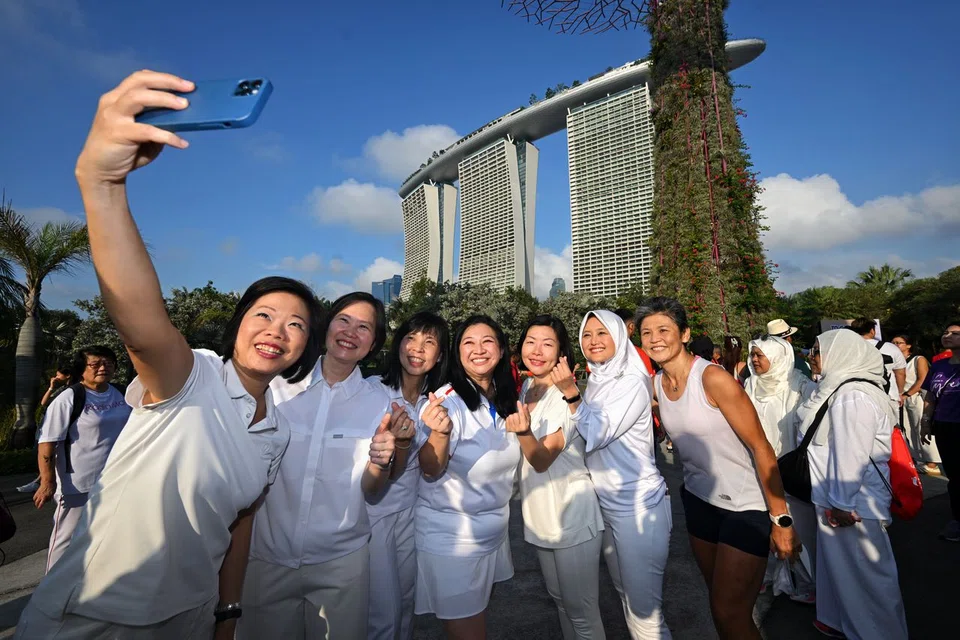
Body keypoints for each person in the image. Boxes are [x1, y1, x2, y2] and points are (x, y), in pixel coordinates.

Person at [16, 70, 324, 639]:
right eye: (263, 314)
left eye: (297, 324)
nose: (277, 329)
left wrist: (226, 614)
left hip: (190, 615)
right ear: (236, 328)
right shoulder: (194, 375)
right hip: (101, 614)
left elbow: (239, 523)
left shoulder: (275, 431)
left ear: (306, 347)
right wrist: (103, 186)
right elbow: (142, 326)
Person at [240, 292, 400, 639]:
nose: (350, 332)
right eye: (343, 320)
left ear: (373, 343)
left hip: (341, 563)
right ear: (326, 326)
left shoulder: (382, 403)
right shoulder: (277, 385)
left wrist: (383, 461)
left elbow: (372, 491)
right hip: (267, 557)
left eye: (364, 327)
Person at [638, 297, 799, 640]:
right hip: (699, 502)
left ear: (684, 334)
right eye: (646, 332)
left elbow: (761, 448)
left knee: (731, 611)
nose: (655, 339)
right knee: (719, 606)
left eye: (663, 330)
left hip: (745, 507)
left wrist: (781, 519)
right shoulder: (656, 384)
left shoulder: (712, 378)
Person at [416, 315, 521, 639]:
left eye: (487, 341)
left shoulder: (504, 399)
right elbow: (430, 468)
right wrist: (440, 433)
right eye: (468, 342)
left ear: (502, 350)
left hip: (491, 535)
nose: (479, 349)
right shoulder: (447, 403)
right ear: (457, 353)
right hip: (453, 540)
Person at [799, 330, 908, 639]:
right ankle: (842, 623)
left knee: (867, 578)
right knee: (845, 573)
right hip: (837, 498)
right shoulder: (840, 388)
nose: (812, 358)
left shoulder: (853, 395)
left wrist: (842, 503)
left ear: (841, 354)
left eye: (817, 353)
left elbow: (851, 452)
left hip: (853, 503)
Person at [576, 310, 671, 639]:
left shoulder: (631, 381)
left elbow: (595, 431)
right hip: (608, 506)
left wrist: (570, 395)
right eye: (587, 335)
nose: (594, 341)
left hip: (638, 508)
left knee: (646, 615)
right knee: (629, 602)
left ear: (620, 335)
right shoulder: (599, 380)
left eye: (602, 333)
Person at [510, 315, 605, 639]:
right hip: (540, 514)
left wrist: (523, 431)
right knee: (561, 603)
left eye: (547, 344)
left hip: (571, 515)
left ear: (561, 353)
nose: (536, 351)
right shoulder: (527, 388)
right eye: (530, 342)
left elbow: (540, 459)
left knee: (582, 612)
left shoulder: (567, 397)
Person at [365, 312, 449, 640]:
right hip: (375, 515)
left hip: (412, 513)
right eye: (411, 338)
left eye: (429, 342)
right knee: (381, 614)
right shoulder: (374, 392)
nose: (417, 348)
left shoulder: (435, 402)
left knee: (405, 602)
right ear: (398, 344)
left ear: (439, 355)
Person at [34, 346, 132, 571]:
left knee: (108, 536)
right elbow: (47, 443)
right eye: (95, 363)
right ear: (82, 369)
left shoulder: (121, 393)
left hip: (115, 481)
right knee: (65, 540)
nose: (103, 367)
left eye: (108, 363)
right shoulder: (69, 398)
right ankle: (50, 592)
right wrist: (48, 483)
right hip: (76, 483)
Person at [743, 336, 816, 602]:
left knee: (797, 525)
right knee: (765, 522)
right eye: (753, 355)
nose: (755, 360)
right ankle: (769, 575)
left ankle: (803, 582)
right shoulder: (750, 384)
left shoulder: (798, 385)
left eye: (760, 355)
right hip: (759, 464)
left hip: (790, 467)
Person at [921, 322, 960, 542]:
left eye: (955, 334)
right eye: (946, 332)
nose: (948, 336)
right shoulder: (939, 365)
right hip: (945, 426)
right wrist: (925, 422)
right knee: (954, 475)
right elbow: (930, 397)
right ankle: (957, 519)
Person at [17, 360, 75, 494]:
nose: (55, 377)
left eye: (58, 374)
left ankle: (40, 481)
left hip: (57, 424)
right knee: (43, 451)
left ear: (67, 375)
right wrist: (51, 387)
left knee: (49, 452)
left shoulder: (71, 391)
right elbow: (44, 403)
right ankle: (39, 480)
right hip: (46, 420)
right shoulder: (61, 389)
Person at [892, 333, 939, 474]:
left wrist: (907, 394)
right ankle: (918, 459)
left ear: (908, 345)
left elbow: (923, 379)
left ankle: (932, 462)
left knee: (920, 427)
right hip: (901, 399)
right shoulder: (894, 360)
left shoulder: (918, 359)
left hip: (915, 397)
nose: (895, 345)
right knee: (908, 429)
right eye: (893, 342)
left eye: (899, 343)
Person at [849, 318, 906, 407]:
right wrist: (899, 393)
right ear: (872, 331)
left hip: (857, 396)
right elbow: (900, 374)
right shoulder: (891, 348)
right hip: (889, 395)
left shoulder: (848, 348)